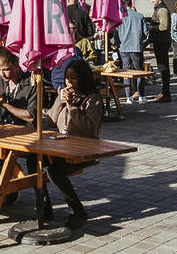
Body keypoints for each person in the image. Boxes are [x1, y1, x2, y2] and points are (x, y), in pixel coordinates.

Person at [44, 58, 104, 227]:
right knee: (35, 161)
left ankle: (77, 209)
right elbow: (50, 120)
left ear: (82, 79)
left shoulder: (92, 99)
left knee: (54, 171)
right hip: (62, 145)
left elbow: (89, 129)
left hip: (84, 149)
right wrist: (60, 100)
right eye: (67, 78)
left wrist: (72, 107)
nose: (69, 82)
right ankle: (44, 208)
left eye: (74, 78)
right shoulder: (65, 95)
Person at [115, 0, 148, 104]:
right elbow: (146, 33)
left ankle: (128, 96)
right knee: (139, 72)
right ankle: (141, 96)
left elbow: (115, 35)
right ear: (131, 3)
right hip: (136, 47)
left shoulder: (119, 17)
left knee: (126, 71)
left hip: (123, 47)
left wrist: (117, 45)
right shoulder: (139, 16)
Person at [148, 0, 173, 103]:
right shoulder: (158, 8)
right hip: (160, 41)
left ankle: (166, 94)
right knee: (162, 68)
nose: (151, 0)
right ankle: (164, 92)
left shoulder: (162, 10)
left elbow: (164, 26)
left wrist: (149, 27)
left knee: (163, 68)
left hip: (162, 42)